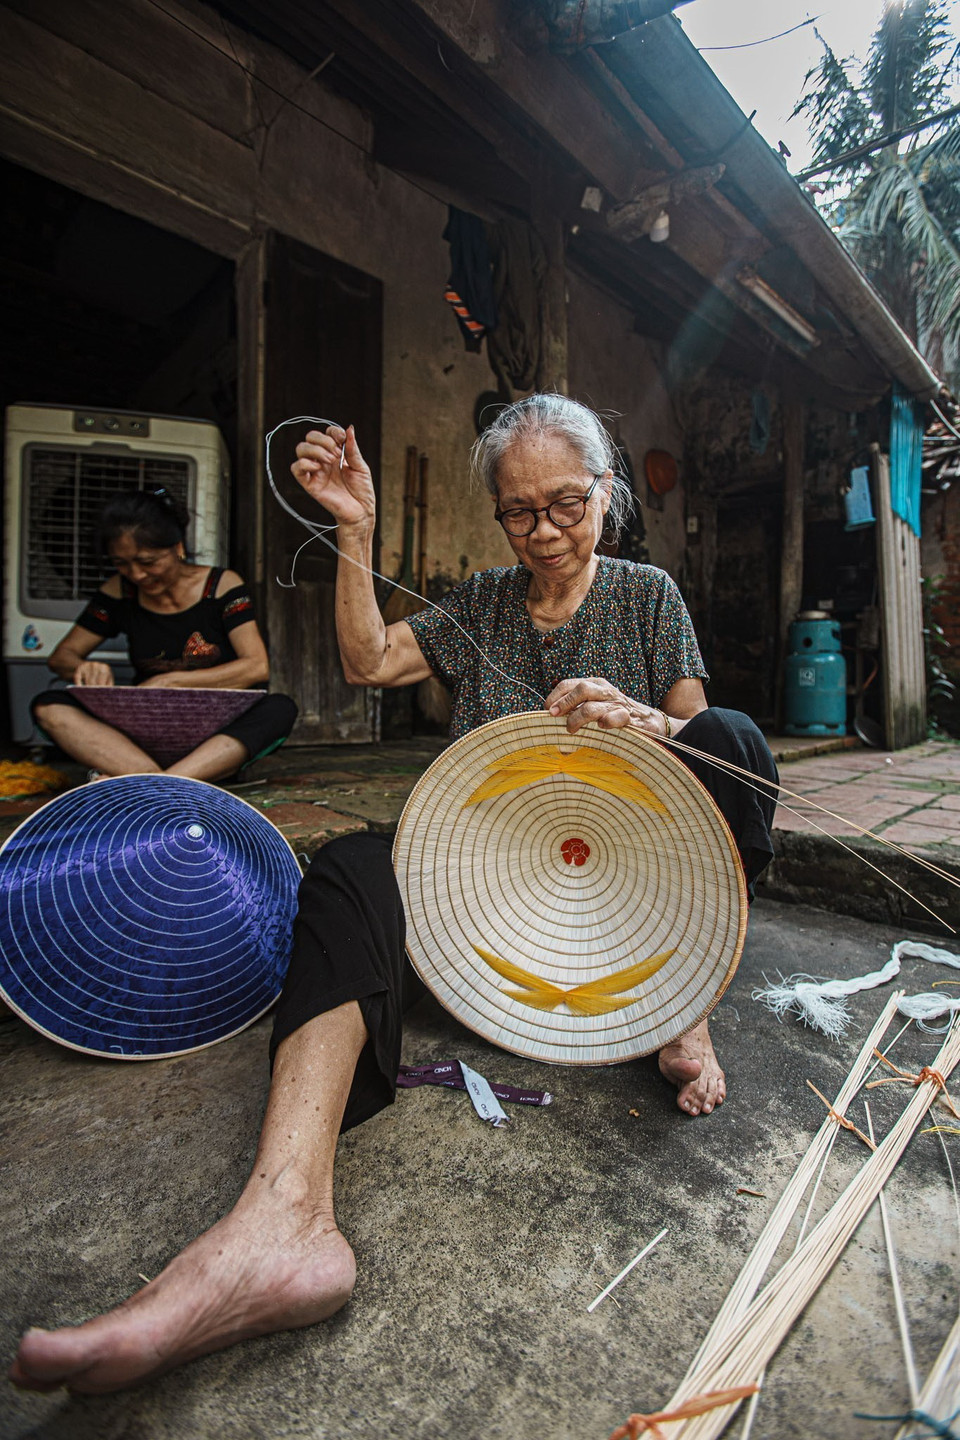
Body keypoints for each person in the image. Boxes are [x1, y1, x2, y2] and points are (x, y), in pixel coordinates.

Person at [10, 396, 778, 1395]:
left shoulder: (645, 595)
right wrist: (355, 528)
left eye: (566, 505)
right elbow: (368, 662)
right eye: (518, 512)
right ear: (497, 516)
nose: (544, 531)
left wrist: (643, 719)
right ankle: (283, 1224)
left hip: (632, 901)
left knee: (735, 738)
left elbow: (701, 740)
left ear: (608, 493)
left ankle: (683, 1006)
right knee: (350, 869)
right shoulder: (483, 603)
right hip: (489, 914)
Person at [31, 489, 297, 781]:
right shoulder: (119, 592)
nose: (136, 574)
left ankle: (148, 781)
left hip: (214, 735)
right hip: (140, 738)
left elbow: (255, 667)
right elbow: (61, 657)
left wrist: (171, 682)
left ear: (178, 547)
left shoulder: (220, 587)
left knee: (279, 709)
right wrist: (83, 667)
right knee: (48, 706)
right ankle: (174, 781)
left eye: (148, 561)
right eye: (121, 563)